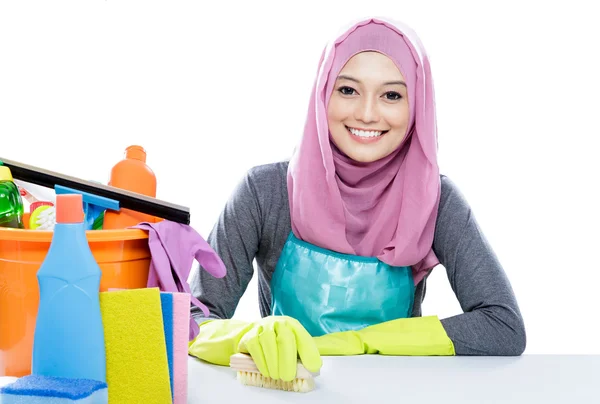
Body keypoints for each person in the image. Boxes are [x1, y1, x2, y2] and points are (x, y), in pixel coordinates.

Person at [187, 17, 526, 382]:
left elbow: (502, 325)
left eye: (392, 95)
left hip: (392, 394)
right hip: (285, 391)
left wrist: (361, 342)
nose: (366, 113)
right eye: (348, 90)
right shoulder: (264, 192)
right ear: (323, 93)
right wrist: (246, 337)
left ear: (418, 109)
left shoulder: (437, 200)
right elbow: (192, 317)